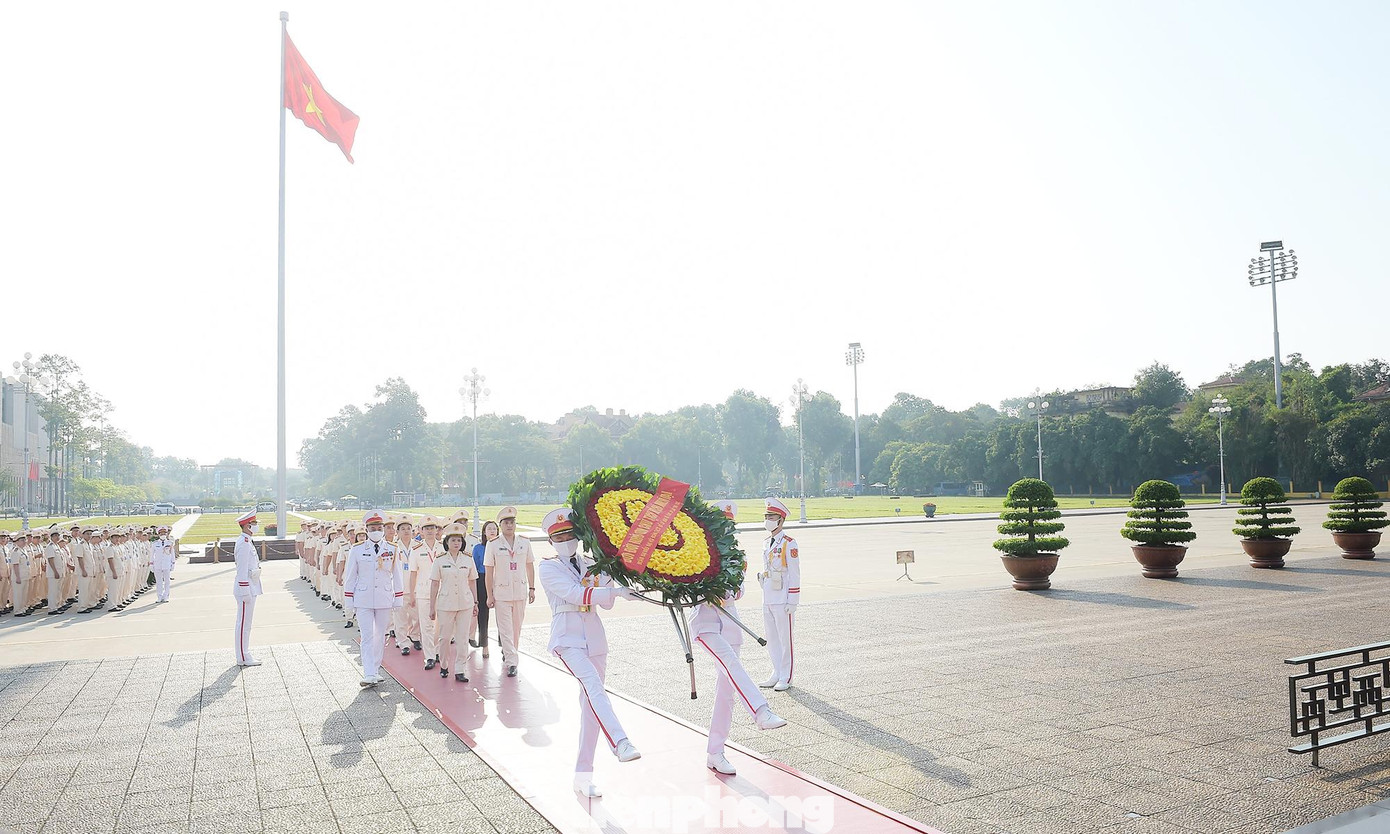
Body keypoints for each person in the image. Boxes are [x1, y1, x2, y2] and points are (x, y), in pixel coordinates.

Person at [536, 508, 641, 797]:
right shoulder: (548, 568)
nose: (566, 541)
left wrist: (618, 580)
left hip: (594, 638)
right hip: (567, 638)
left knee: (591, 707)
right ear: (551, 541)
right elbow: (575, 594)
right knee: (594, 686)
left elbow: (606, 601)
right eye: (559, 537)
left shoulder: (592, 563)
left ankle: (582, 776)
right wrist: (614, 592)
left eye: (570, 535)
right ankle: (620, 742)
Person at [694, 501, 787, 775]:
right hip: (706, 623)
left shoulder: (737, 556)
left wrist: (731, 592)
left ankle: (715, 752)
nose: (725, 528)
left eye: (729, 524)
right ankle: (760, 711)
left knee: (726, 693)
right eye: (721, 523)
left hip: (730, 625)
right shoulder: (697, 551)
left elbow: (740, 588)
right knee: (732, 664)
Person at [342, 509, 404, 687]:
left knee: (380, 636)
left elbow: (397, 575)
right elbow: (350, 576)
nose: (376, 531)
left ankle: (375, 670)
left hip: (384, 597)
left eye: (379, 528)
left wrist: (398, 598)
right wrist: (349, 600)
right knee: (367, 635)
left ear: (383, 529)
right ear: (367, 530)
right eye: (372, 528)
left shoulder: (392, 548)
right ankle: (368, 672)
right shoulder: (357, 549)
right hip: (363, 598)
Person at [484, 507, 535, 677]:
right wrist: (489, 595)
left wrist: (532, 588)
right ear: (500, 525)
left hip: (520, 591)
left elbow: (529, 566)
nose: (509, 525)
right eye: (506, 522)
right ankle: (512, 662)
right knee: (505, 630)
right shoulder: (493, 544)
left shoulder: (524, 542)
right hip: (502, 593)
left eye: (512, 522)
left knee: (516, 629)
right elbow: (489, 572)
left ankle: (511, 654)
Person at [758, 497, 800, 691]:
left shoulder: (789, 543)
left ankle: (786, 676)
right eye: (766, 516)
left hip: (783, 598)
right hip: (768, 596)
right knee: (772, 638)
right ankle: (776, 671)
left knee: (785, 639)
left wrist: (793, 600)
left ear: (781, 520)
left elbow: (794, 573)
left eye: (772, 517)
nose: (768, 520)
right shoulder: (766, 542)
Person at [428, 523, 478, 682]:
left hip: (465, 603)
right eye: (453, 540)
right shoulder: (440, 560)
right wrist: (431, 607)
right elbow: (434, 584)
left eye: (459, 540)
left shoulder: (468, 559)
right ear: (447, 542)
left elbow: (472, 581)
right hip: (445, 604)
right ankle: (444, 665)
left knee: (462, 638)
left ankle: (460, 669)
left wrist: (475, 602)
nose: (456, 543)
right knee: (444, 638)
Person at [410, 517, 444, 669]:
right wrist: (412, 594)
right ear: (421, 531)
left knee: (440, 625)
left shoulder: (443, 548)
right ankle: (429, 656)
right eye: (427, 528)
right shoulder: (416, 550)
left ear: (437, 530)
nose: (430, 531)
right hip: (423, 591)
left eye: (432, 528)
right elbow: (413, 573)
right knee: (426, 625)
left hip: (442, 591)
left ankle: (437, 651)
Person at [232, 510, 263, 667]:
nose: (257, 526)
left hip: (251, 585)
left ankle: (244, 654)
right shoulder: (244, 543)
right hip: (246, 588)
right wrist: (245, 591)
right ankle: (243, 656)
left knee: (245, 624)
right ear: (247, 525)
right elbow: (242, 569)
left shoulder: (247, 541)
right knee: (243, 624)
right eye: (254, 523)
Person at [468, 520, 498, 659]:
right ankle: (484, 644)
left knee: (503, 615)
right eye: (489, 529)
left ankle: (505, 647)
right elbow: (473, 569)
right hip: (482, 579)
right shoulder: (478, 548)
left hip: (499, 580)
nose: (492, 531)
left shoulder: (502, 547)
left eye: (494, 528)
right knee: (483, 615)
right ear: (484, 532)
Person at [152, 525, 176, 602]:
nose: (163, 535)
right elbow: (151, 555)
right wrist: (151, 564)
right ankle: (159, 596)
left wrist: (173, 563)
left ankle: (166, 596)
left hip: (166, 564)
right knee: (159, 582)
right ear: (158, 534)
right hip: (158, 564)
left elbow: (172, 554)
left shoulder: (169, 543)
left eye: (164, 533)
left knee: (167, 581)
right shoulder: (155, 543)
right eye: (161, 533)